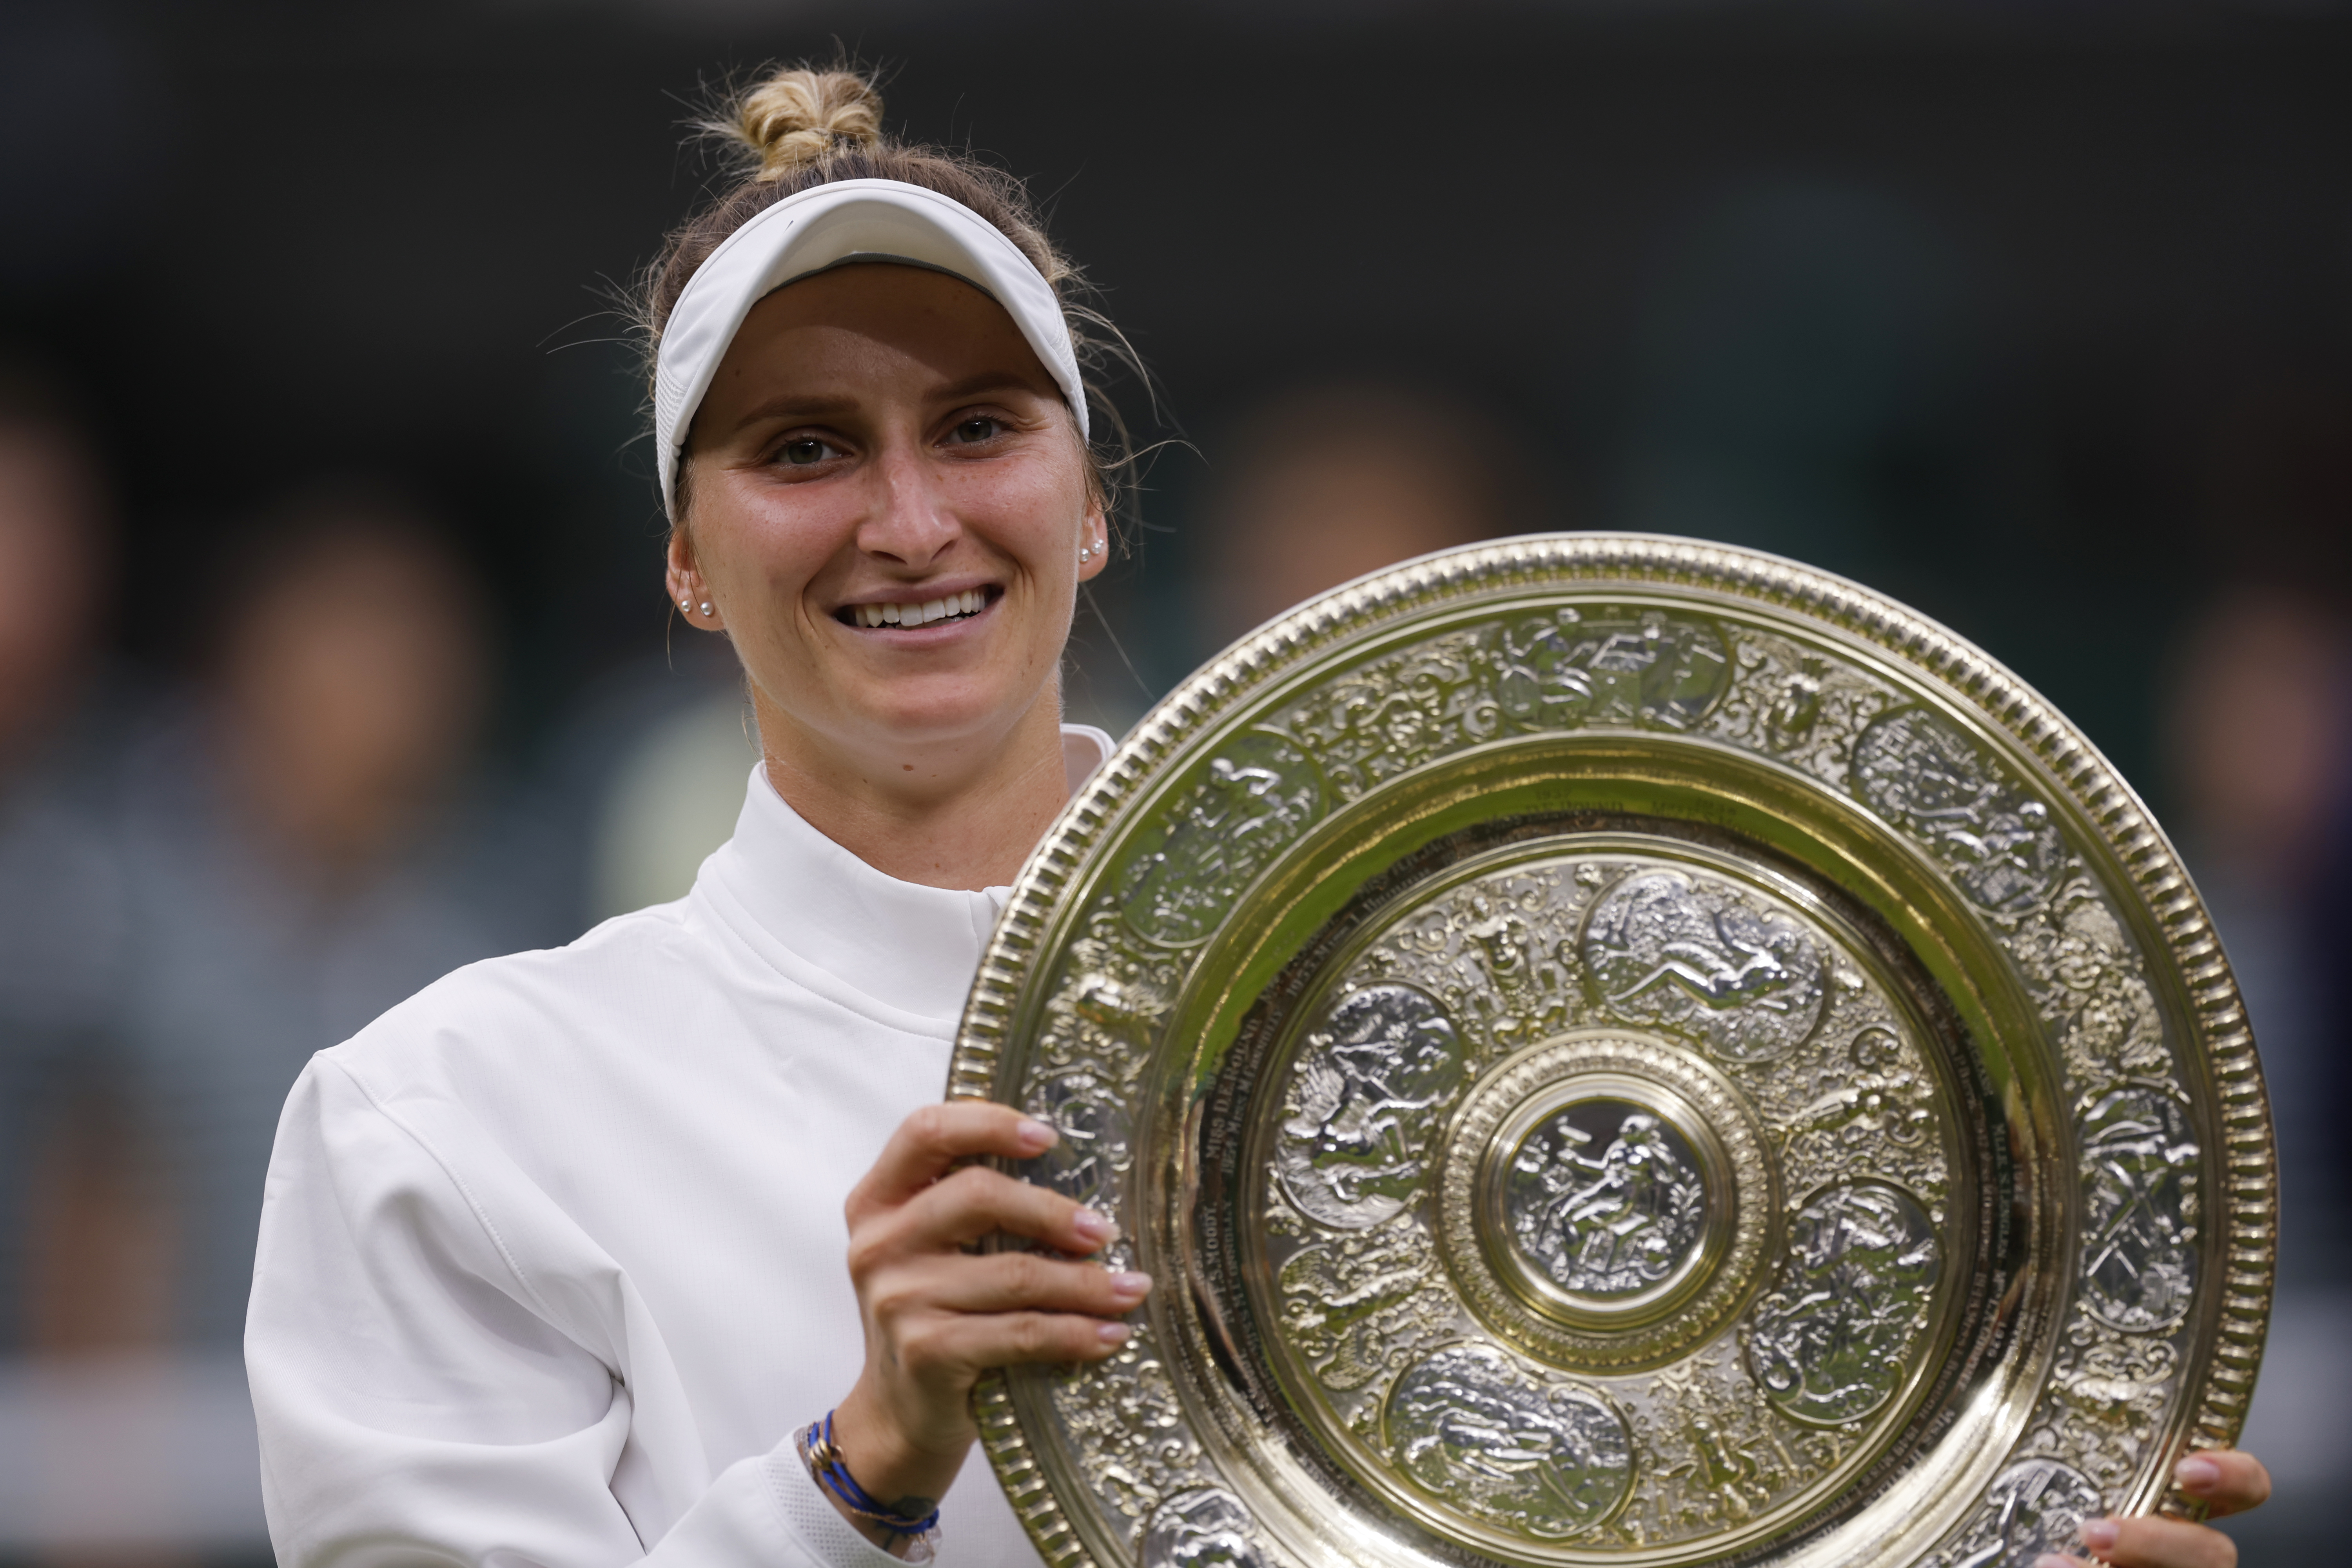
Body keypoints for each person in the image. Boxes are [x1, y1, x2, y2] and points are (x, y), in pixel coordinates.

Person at [242, 65, 2269, 1568]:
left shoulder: (1500, 1021)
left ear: (1092, 504)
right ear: (687, 561)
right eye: (802, 449)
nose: (911, 518)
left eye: (978, 427)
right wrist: (857, 1473)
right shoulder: (447, 1124)